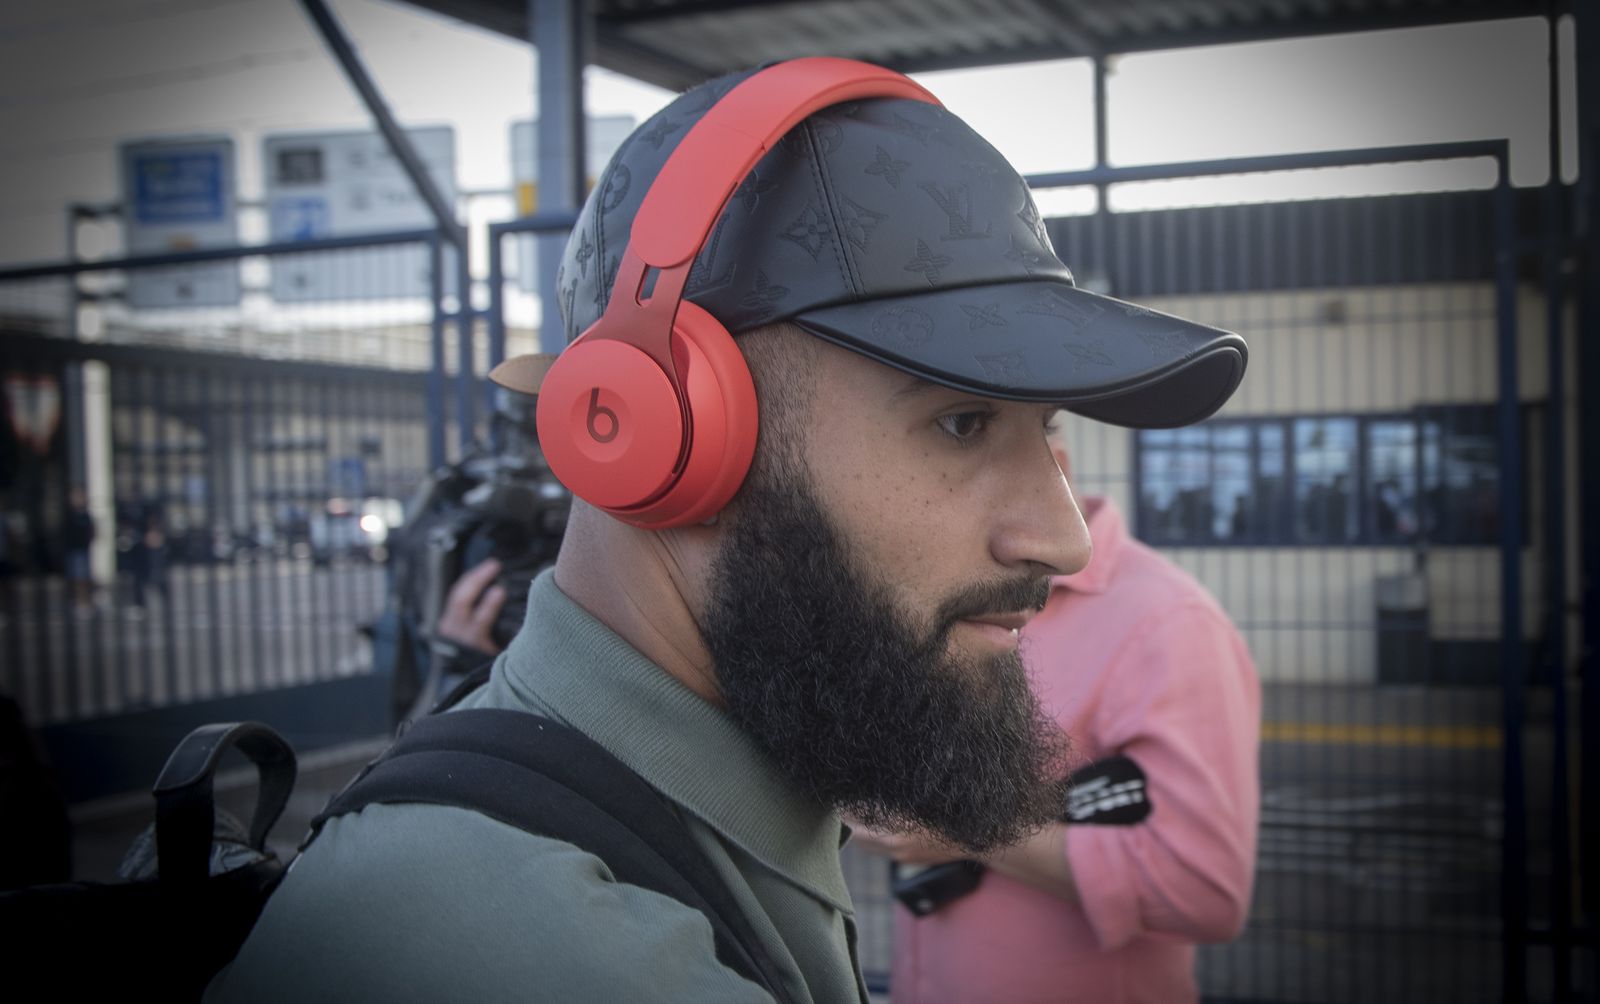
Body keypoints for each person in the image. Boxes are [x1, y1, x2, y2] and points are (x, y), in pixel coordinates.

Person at [207, 58, 1245, 1002]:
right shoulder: (551, 953)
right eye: (962, 420)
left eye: (1045, 430)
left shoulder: (705, 792)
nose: (1062, 540)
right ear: (664, 437)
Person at [853, 437, 1261, 1004]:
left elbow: (1203, 891)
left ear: (1052, 468)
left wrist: (969, 832)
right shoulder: (961, 592)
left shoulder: (1170, 623)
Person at [60, 486, 94, 611]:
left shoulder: (85, 516)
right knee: (74, 577)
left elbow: (91, 532)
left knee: (84, 577)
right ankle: (76, 600)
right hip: (73, 550)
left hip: (83, 550)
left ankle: (84, 601)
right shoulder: (69, 516)